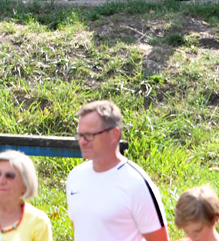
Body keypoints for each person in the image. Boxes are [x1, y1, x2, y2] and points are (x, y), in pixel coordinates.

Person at [66, 100, 169, 241]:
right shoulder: (75, 177)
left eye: (89, 135)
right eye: (80, 135)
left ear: (114, 134)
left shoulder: (136, 183)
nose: (82, 142)